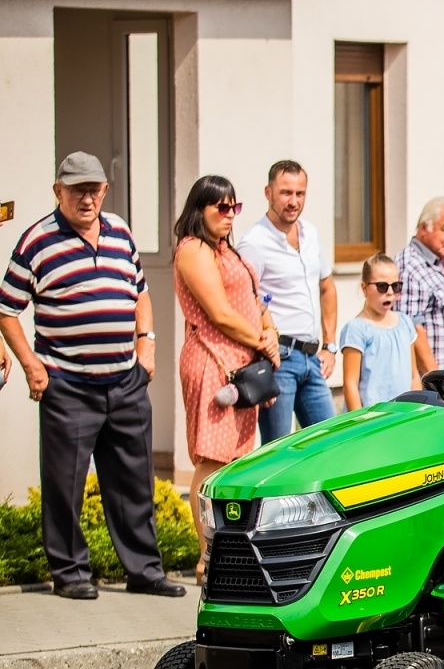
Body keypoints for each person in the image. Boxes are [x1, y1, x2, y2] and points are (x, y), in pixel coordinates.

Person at [0, 152, 185, 600]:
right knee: (64, 484)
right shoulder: (36, 241)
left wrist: (148, 345)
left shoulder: (120, 230)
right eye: (77, 189)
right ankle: (70, 574)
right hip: (68, 385)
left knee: (134, 481)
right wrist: (31, 364)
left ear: (105, 189)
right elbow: (7, 310)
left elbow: (140, 293)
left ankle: (144, 571)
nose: (87, 198)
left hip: (125, 380)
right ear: (58, 192)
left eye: (94, 188)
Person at [174, 175, 279, 575]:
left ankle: (227, 553)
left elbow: (255, 300)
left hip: (241, 364)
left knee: (236, 460)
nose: (229, 215)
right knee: (211, 461)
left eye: (234, 207)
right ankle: (207, 556)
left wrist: (269, 333)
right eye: (221, 207)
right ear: (199, 209)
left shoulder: (227, 250)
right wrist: (263, 341)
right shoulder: (194, 249)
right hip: (212, 361)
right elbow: (218, 313)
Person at [237, 160, 335, 441]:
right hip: (280, 359)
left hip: (312, 358)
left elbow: (327, 287)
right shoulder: (254, 243)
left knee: (331, 441)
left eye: (300, 193)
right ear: (268, 192)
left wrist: (330, 346)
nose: (293, 201)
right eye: (285, 193)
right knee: (278, 449)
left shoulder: (311, 233)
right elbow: (245, 303)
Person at [397, 196, 444, 387]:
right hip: (435, 388)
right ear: (424, 228)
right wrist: (439, 385)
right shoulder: (410, 266)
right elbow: (412, 330)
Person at [338, 253, 419, 410]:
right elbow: (350, 384)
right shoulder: (357, 329)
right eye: (382, 286)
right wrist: (361, 422)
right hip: (371, 417)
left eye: (396, 286)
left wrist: (415, 410)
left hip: (402, 414)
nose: (389, 292)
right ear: (364, 288)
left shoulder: (405, 323)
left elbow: (414, 375)